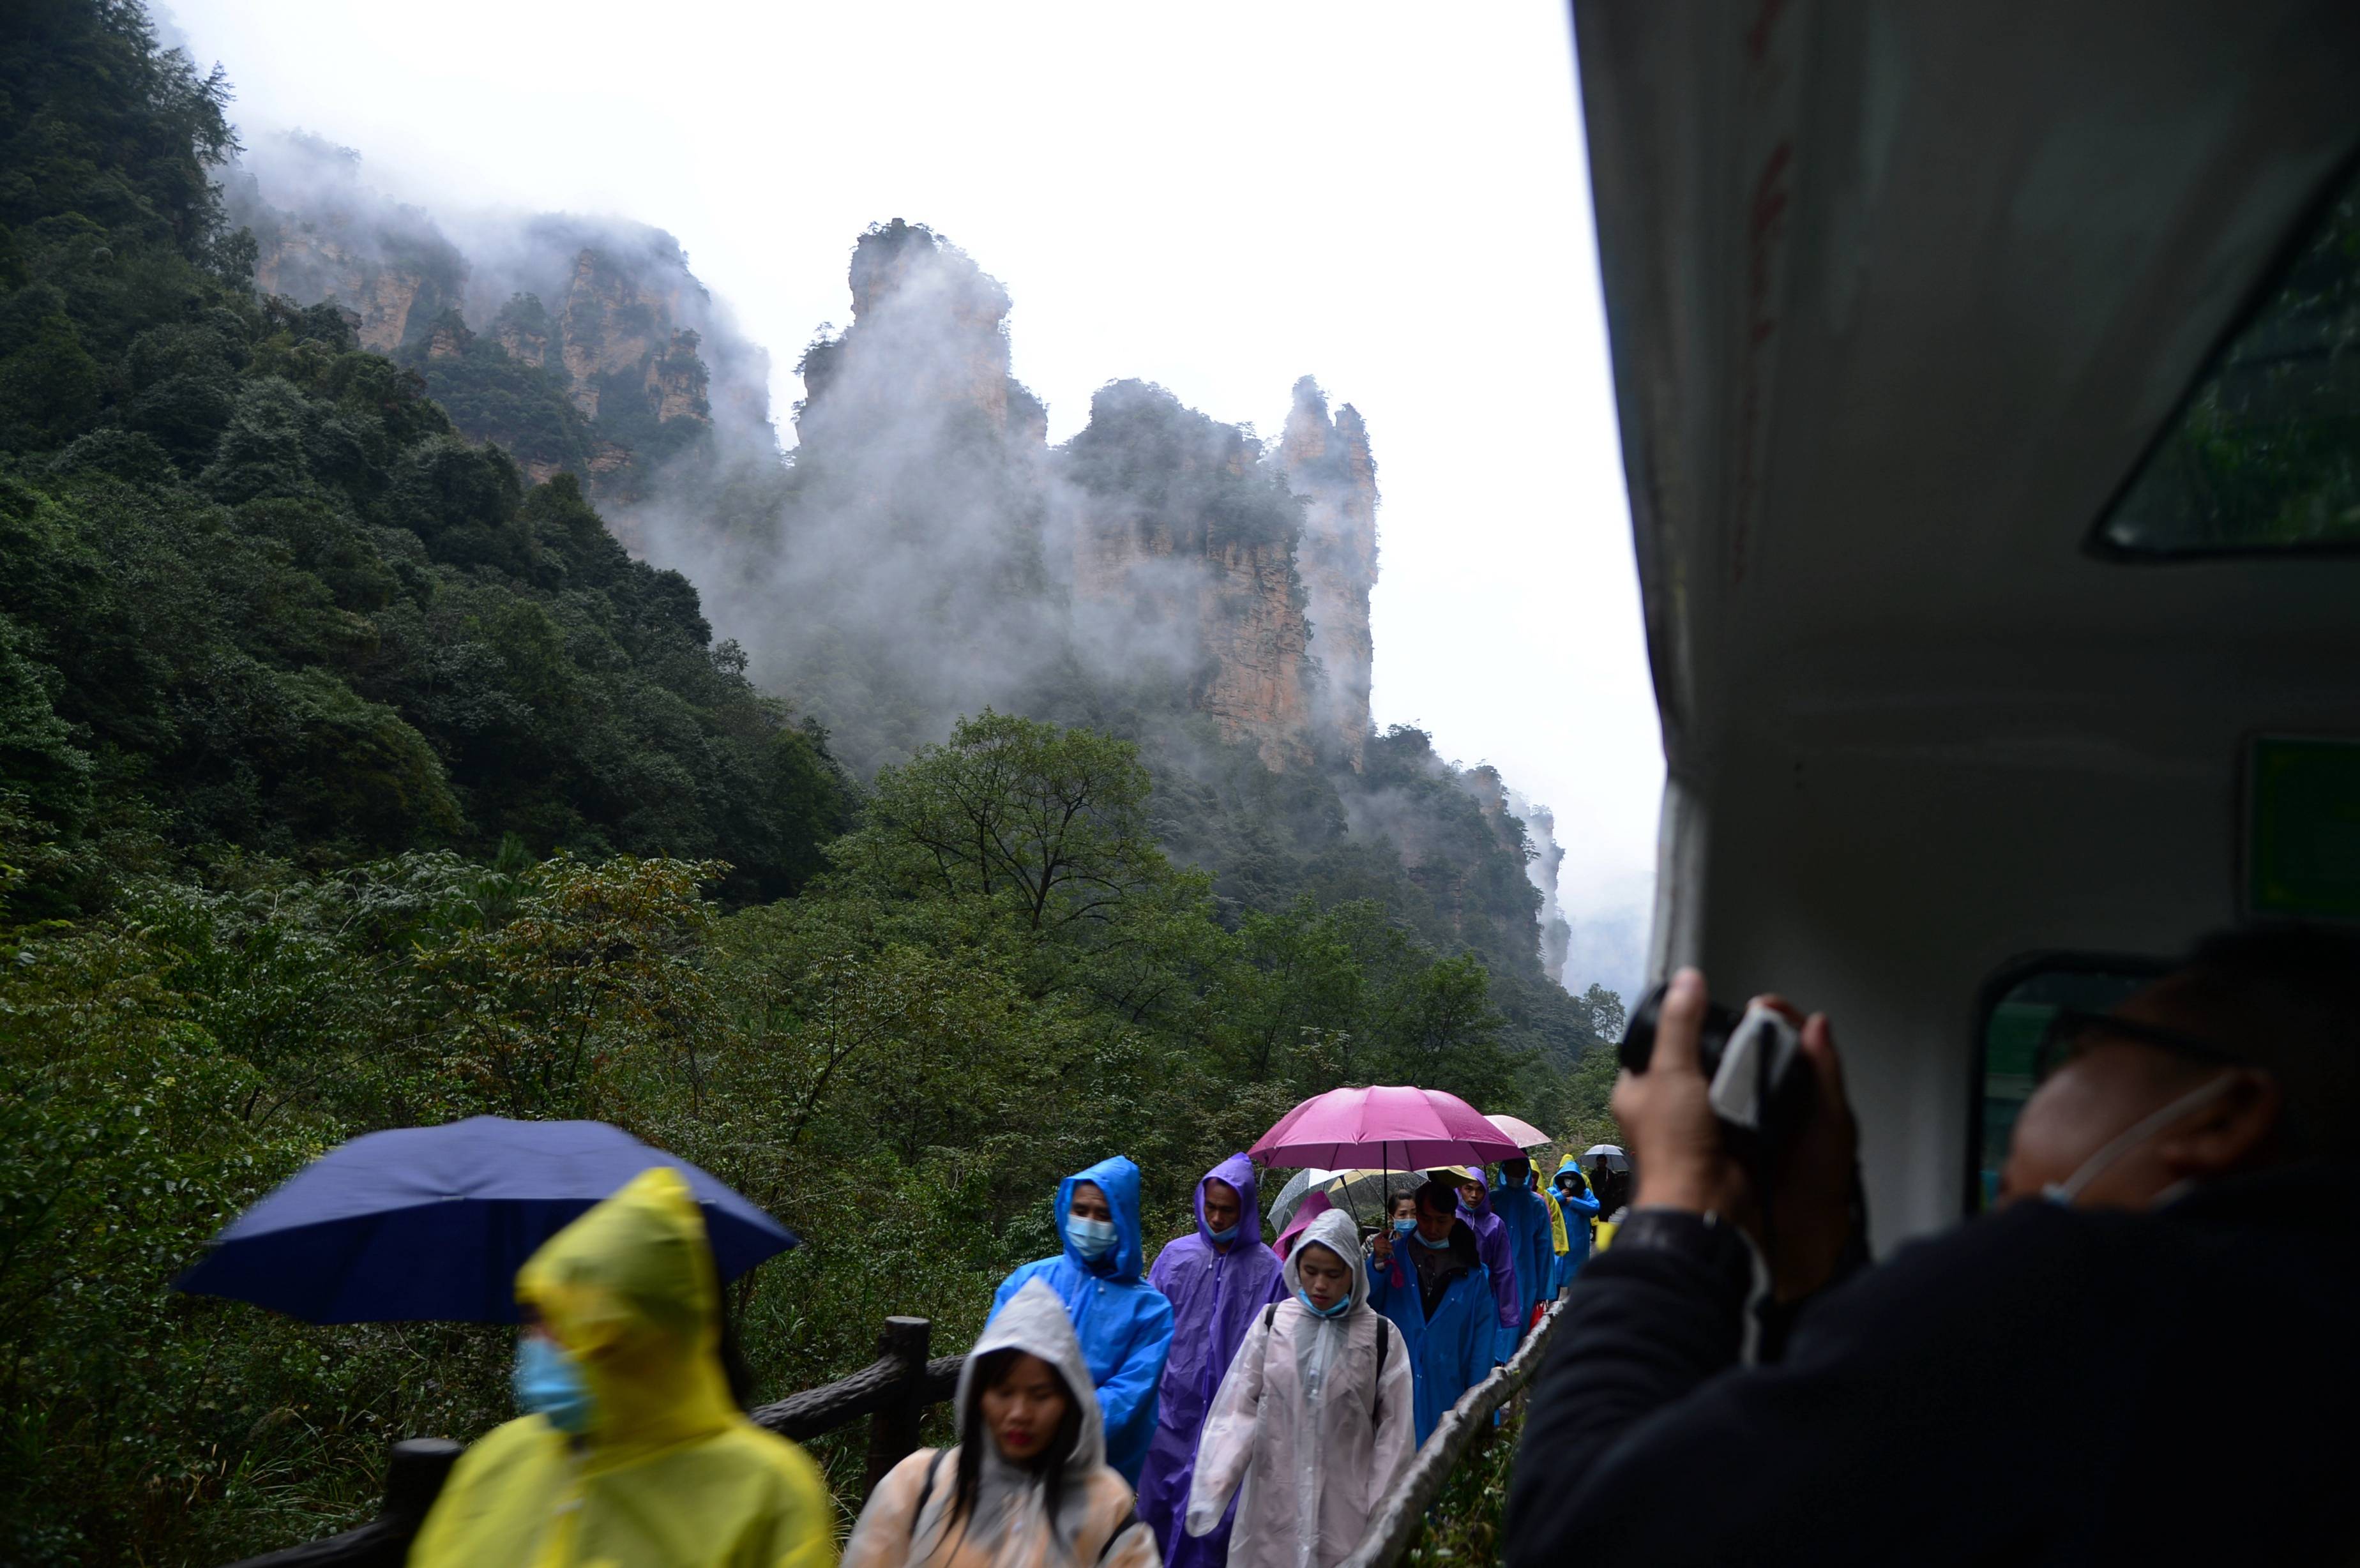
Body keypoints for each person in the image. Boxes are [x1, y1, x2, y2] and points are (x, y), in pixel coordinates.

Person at [1504, 928, 2359, 1566]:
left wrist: (1674, 1207)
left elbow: (1584, 1538)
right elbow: (1863, 1487)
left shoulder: (2084, 1292)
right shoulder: (2291, 1323)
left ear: (2223, 1116)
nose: (2048, 1087)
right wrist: (1819, 1242)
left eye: (2082, 1050)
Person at [409, 1166, 835, 1568]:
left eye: (574, 1323)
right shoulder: (497, 1460)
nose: (542, 1340)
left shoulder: (766, 1490)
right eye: (538, 1316)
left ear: (649, 1341)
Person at [843, 1278, 1160, 1568]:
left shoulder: (1105, 1506)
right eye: (1003, 1392)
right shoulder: (917, 1485)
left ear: (1069, 1401)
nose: (1019, 1413)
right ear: (976, 1396)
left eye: (1040, 1395)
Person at [1184, 1208, 1416, 1568]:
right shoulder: (1272, 1324)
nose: (1320, 1285)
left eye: (1333, 1274)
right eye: (1310, 1272)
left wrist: (1382, 1513)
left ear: (1353, 1272)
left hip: (1345, 1508)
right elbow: (1239, 1407)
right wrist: (1215, 1481)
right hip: (1273, 1501)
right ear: (1295, 1267)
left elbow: (1395, 1435)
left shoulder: (1381, 1337)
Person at [990, 1156, 1175, 1486]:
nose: (1090, 1221)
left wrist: (1059, 1423)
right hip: (1014, 1450)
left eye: (1104, 1215)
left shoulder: (1150, 1309)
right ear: (1066, 1210)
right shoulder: (1028, 1281)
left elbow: (1130, 1391)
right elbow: (994, 1362)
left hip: (1095, 1466)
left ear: (1123, 1219)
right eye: (1081, 1210)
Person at [1138, 1154, 1285, 1568]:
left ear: (1246, 1209)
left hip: (1232, 1420)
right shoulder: (1174, 1257)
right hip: (1171, 1416)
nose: (1218, 1218)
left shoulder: (1270, 1270)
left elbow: (1282, 1346)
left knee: (1218, 1523)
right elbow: (1149, 1332)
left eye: (1228, 1209)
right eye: (1211, 1208)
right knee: (1157, 1513)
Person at [1365, 1174, 1495, 1445]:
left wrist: (1477, 1400)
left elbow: (1481, 1345)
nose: (1432, 1228)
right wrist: (1376, 1264)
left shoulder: (1471, 1273)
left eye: (1442, 1220)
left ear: (1454, 1218)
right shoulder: (1393, 1257)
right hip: (1394, 1382)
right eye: (1425, 1218)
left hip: (1448, 1386)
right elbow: (1366, 1307)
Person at [1449, 1166, 1522, 1361]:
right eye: (1468, 1188)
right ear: (1459, 1189)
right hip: (1450, 1297)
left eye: (1480, 1189)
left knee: (1481, 1351)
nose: (1474, 1195)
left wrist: (1507, 1312)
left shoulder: (1495, 1224)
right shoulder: (1449, 1219)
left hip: (1484, 1296)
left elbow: (1504, 1270)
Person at [1488, 1157, 1557, 1331]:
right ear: (1504, 1171)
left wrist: (1545, 1290)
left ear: (1528, 1173)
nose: (1516, 1175)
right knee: (1493, 1316)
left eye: (1521, 1170)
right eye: (1512, 1169)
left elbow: (1544, 1248)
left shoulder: (1537, 1204)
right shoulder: (1492, 1200)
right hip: (1493, 1272)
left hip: (1526, 1273)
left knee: (1520, 1318)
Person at [1545, 1159, 1599, 1295]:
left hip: (1578, 1242)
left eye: (1573, 1178)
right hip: (1557, 1241)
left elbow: (1595, 1208)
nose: (1569, 1182)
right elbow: (1544, 1205)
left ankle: (1571, 1308)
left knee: (1575, 1277)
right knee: (1554, 1277)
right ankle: (1551, 1308)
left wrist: (1574, 1201)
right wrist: (1561, 1197)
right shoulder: (1552, 1191)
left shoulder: (1585, 1193)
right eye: (1566, 1178)